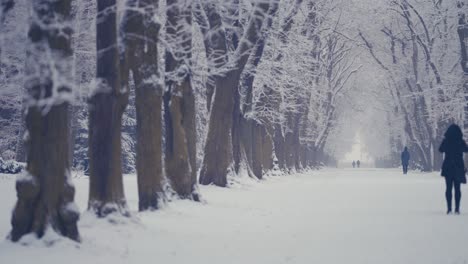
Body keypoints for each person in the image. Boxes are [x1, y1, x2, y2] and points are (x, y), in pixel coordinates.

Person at [439, 124, 468, 214]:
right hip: (458, 166)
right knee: (457, 188)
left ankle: (449, 208)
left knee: (448, 188)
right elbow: (466, 150)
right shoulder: (460, 141)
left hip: (448, 166)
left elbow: (440, 149)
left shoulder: (446, 141)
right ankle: (457, 208)